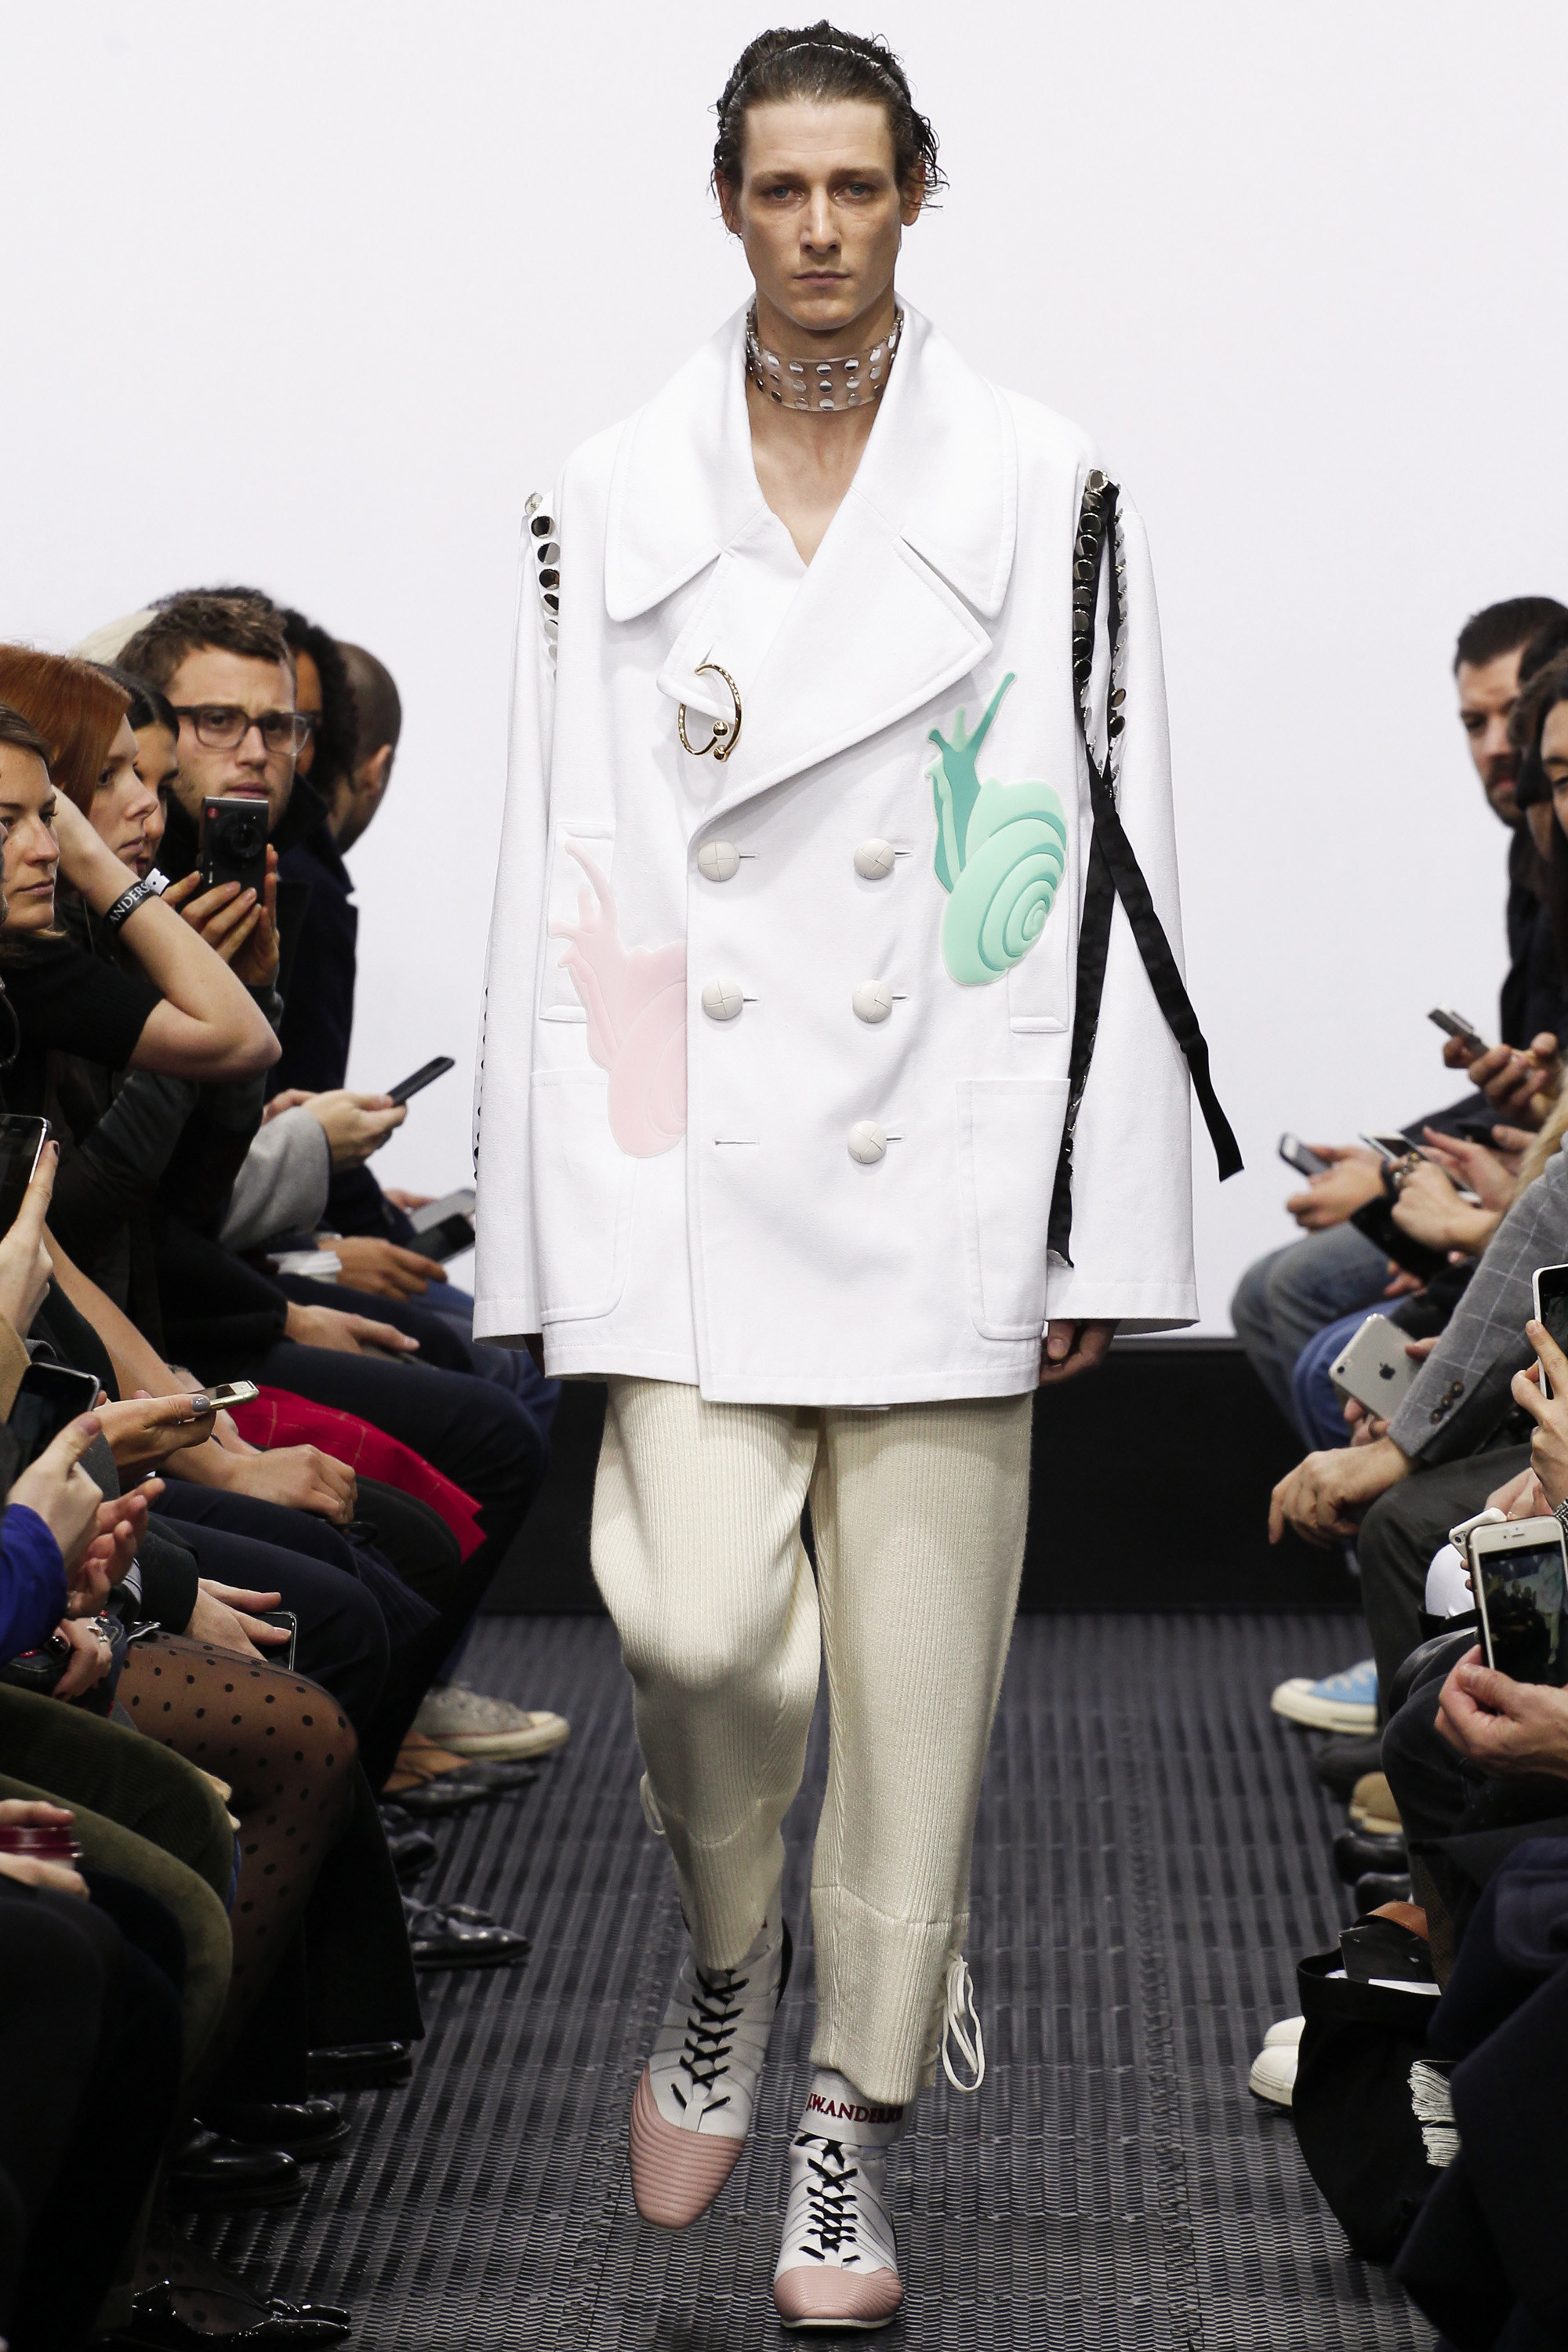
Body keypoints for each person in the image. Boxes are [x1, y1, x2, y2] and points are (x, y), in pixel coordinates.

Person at [474, 24, 1226, 2328]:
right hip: (689, 1167)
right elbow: (563, 855)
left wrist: (1102, 1214)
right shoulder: (612, 488)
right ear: (726, 199)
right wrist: (545, 1209)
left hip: (946, 1152)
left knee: (918, 1698)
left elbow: (1106, 854)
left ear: (915, 194)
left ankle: (843, 2115)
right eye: (780, 186)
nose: (818, 226)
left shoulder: (1042, 479)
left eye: (856, 185)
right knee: (694, 1623)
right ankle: (725, 1949)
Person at [1232, 595, 1568, 1438]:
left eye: (1516, 716)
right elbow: (1537, 1093)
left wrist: (1401, 1184)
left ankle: (1390, 1504)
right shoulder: (1529, 862)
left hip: (1532, 1202)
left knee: (1311, 1326)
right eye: (1474, 722)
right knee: (1271, 1299)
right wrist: (1408, 1159)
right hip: (1521, 1180)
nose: (1498, 745)